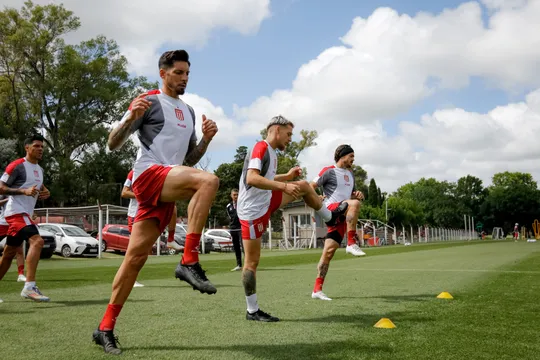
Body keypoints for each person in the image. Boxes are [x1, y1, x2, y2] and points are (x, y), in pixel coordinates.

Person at [93, 49, 220, 355]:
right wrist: (131, 120)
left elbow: (186, 160)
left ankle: (104, 328)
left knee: (134, 260)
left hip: (165, 185)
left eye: (187, 73)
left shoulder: (189, 112)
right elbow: (113, 143)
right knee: (209, 180)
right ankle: (188, 260)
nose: (184, 78)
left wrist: (205, 141)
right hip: (148, 174)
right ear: (163, 73)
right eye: (178, 73)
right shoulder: (147, 100)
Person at [237, 115, 349, 322]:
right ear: (276, 130)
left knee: (304, 185)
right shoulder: (260, 147)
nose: (290, 139)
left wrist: (286, 177)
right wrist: (284, 186)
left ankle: (330, 217)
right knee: (251, 262)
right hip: (252, 211)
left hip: (266, 199)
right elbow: (251, 178)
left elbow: (266, 178)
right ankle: (252, 311)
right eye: (288, 134)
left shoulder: (271, 152)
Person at [310, 144, 365, 301]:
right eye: (351, 156)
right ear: (342, 156)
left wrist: (357, 195)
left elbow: (350, 196)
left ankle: (317, 289)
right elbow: (310, 186)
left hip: (342, 216)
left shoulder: (351, 175)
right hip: (331, 210)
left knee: (329, 252)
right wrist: (315, 197)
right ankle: (351, 243)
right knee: (354, 205)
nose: (353, 160)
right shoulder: (329, 171)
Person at [0, 134, 51, 302]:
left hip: (25, 214)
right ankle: (29, 287)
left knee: (8, 254)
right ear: (27, 148)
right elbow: (1, 188)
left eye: (42, 147)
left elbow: (39, 187)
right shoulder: (17, 166)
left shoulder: (40, 170)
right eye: (36, 146)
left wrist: (45, 191)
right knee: (37, 241)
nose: (40, 149)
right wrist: (23, 191)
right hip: (15, 212)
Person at [0, 196, 26, 283]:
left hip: (15, 223)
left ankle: (21, 274)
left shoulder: (22, 192)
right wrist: (8, 199)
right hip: (3, 223)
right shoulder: (4, 188)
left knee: (19, 250)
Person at [226, 188, 243, 271]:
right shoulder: (228, 206)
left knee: (244, 247)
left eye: (237, 194)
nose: (236, 196)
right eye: (234, 195)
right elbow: (230, 217)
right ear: (231, 196)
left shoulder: (243, 204)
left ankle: (248, 265)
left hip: (241, 228)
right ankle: (239, 265)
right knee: (236, 247)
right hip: (233, 229)